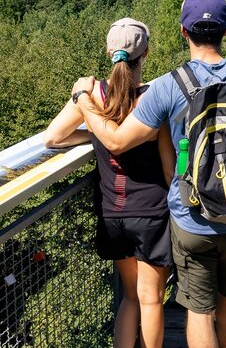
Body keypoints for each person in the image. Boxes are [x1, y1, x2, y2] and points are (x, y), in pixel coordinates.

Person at [71, 0, 226, 348]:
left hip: (191, 218)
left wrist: (83, 99)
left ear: (182, 31)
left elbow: (115, 141)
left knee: (198, 308)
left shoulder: (166, 87)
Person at [44, 18, 175, 348]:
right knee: (150, 300)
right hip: (150, 213)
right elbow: (168, 167)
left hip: (112, 212)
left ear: (108, 52)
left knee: (130, 298)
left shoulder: (94, 96)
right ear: (145, 53)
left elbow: (53, 138)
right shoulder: (152, 99)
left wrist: (92, 130)